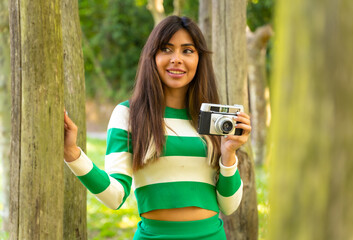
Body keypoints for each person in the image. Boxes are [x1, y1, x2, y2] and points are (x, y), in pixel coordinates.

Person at [64, 15, 251, 240]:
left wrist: (228, 154)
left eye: (187, 50)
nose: (177, 59)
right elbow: (115, 196)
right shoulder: (128, 114)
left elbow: (229, 206)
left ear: (199, 59)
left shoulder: (211, 119)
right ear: (152, 57)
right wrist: (73, 154)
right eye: (166, 49)